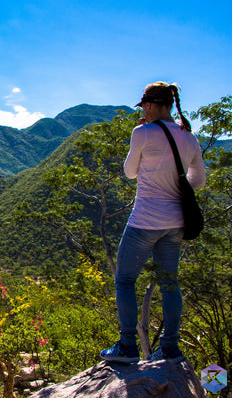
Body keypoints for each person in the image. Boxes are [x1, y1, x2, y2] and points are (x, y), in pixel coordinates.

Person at [100, 81, 206, 363]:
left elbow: (130, 172)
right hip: (176, 224)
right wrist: (175, 185)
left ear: (149, 105)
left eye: (144, 107)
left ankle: (127, 347)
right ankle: (170, 349)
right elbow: (199, 180)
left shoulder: (142, 132)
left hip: (145, 221)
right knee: (170, 283)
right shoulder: (189, 136)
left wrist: (142, 137)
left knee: (124, 279)